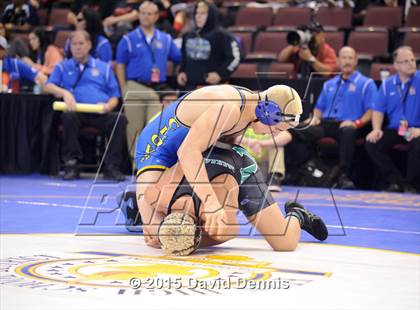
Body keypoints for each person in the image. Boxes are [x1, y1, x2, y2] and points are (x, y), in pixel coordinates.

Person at [134, 83, 302, 241]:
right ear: (267, 113)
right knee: (156, 234)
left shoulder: (249, 109)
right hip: (156, 148)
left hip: (188, 147)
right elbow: (188, 152)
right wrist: (211, 202)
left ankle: (171, 207)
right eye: (278, 129)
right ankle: (134, 204)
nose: (274, 134)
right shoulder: (230, 107)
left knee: (201, 229)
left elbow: (216, 137)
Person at [120, 143, 328, 253]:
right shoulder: (159, 196)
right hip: (197, 157)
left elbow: (230, 231)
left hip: (238, 166)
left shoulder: (218, 204)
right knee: (148, 213)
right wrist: (155, 228)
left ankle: (297, 215)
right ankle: (132, 206)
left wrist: (190, 242)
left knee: (284, 242)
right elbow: (148, 199)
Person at [284, 47, 377, 189]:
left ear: (356, 61)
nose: (347, 61)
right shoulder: (329, 84)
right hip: (326, 124)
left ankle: (344, 176)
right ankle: (296, 170)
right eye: (344, 58)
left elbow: (371, 110)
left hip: (350, 126)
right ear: (338, 61)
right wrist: (314, 118)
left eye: (350, 58)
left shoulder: (366, 83)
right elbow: (319, 108)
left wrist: (356, 123)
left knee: (347, 131)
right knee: (295, 128)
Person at [43, 31, 127, 181]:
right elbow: (48, 86)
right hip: (76, 111)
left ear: (89, 45)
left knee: (119, 120)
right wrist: (64, 93)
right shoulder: (63, 66)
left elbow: (115, 95)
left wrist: (109, 105)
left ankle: (111, 166)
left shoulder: (103, 67)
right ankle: (71, 164)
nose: (77, 47)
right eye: (74, 44)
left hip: (100, 111)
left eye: (81, 44)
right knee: (68, 116)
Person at [115, 0, 181, 156]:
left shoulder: (165, 39)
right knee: (134, 128)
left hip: (157, 88)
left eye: (149, 13)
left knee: (154, 128)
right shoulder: (128, 39)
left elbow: (179, 58)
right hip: (135, 86)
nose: (145, 16)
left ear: (156, 16)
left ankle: (149, 164)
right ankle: (136, 166)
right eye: (142, 13)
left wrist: (181, 72)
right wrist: (124, 88)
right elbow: (120, 65)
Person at [365, 46, 420, 193]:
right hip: (397, 129)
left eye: (413, 60)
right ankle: (396, 181)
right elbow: (378, 110)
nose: (411, 63)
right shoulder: (387, 84)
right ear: (396, 65)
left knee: (417, 144)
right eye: (406, 61)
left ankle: (411, 185)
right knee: (372, 143)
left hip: (416, 130)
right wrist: (376, 129)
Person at [177, 0, 240, 91]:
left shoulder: (223, 36)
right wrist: (182, 71)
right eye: (197, 13)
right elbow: (184, 57)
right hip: (189, 87)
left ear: (211, 15)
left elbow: (235, 58)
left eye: (203, 13)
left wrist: (220, 74)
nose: (198, 16)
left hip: (213, 89)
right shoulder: (188, 35)